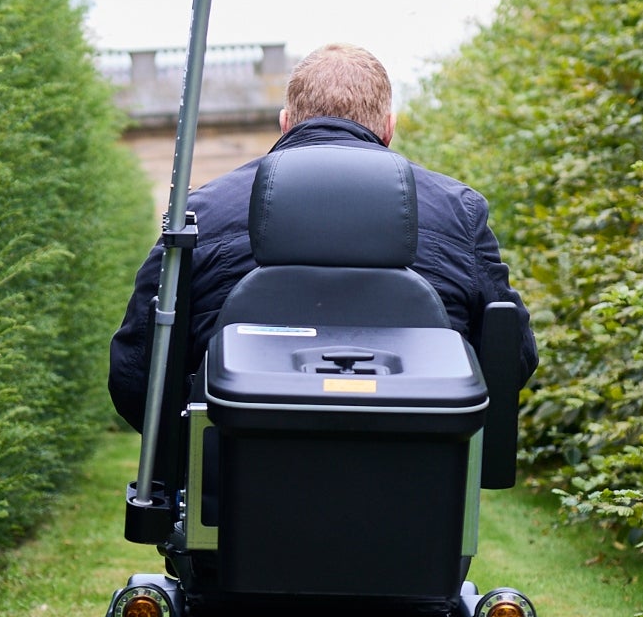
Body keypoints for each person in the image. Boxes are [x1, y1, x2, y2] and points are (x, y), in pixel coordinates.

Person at [108, 42, 537, 433]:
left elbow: (137, 376)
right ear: (388, 128)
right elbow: (509, 359)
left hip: (238, 488)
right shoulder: (460, 211)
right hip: (419, 488)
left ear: (285, 123)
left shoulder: (201, 213)